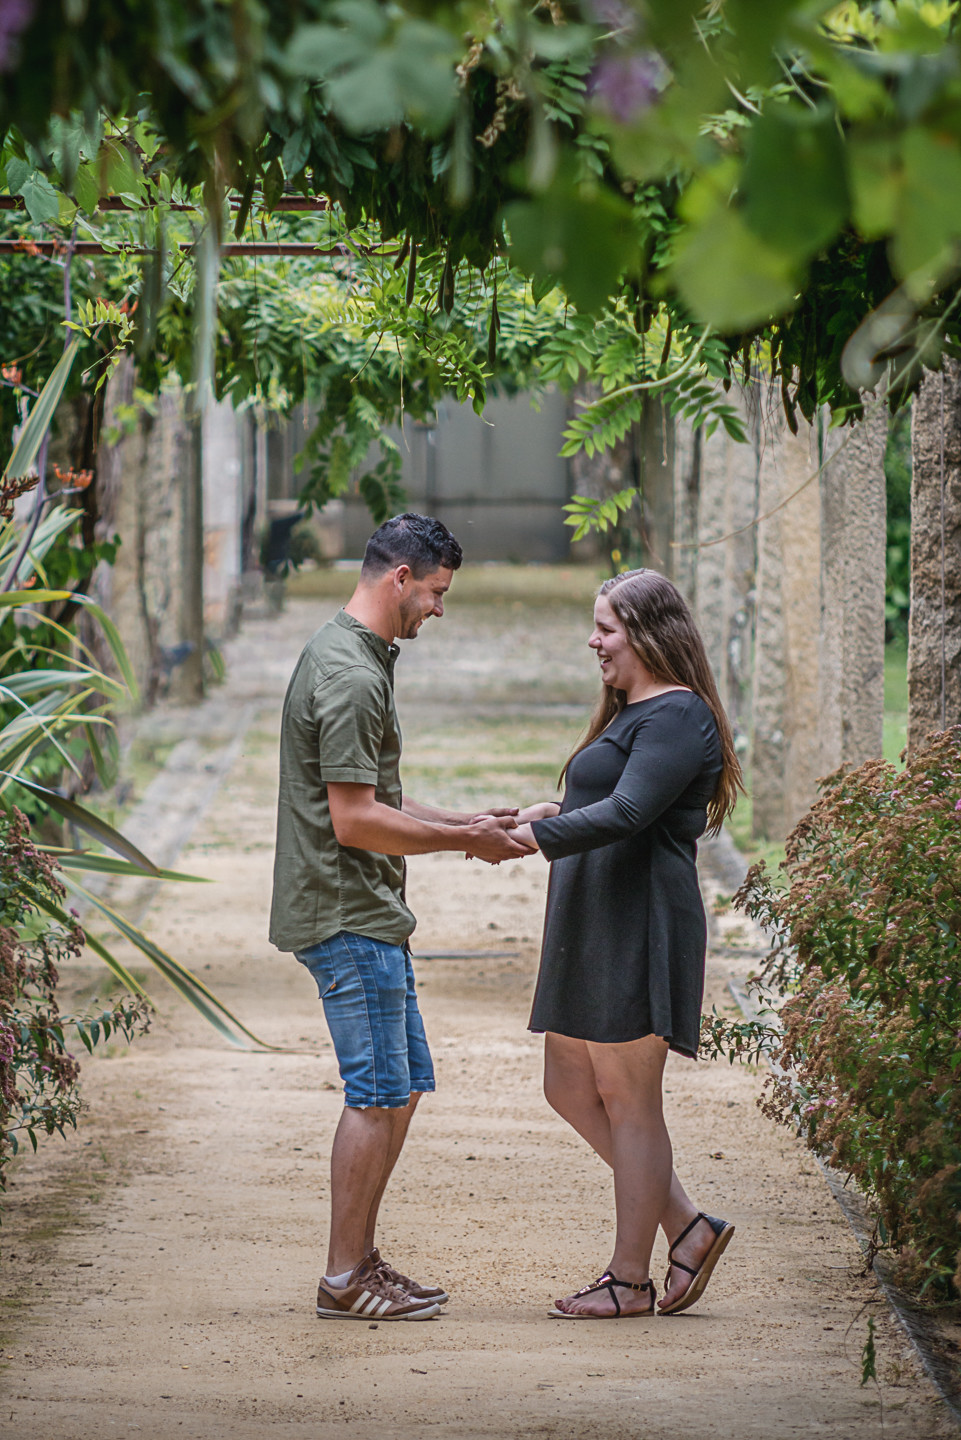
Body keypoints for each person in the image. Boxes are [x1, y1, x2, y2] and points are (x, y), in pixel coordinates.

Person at [269, 513, 531, 1323]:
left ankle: (361, 1260)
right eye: (436, 592)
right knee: (375, 1093)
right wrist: (463, 842)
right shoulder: (348, 674)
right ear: (399, 579)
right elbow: (353, 821)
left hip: (368, 909)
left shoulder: (359, 657)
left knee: (403, 1087)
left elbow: (375, 797)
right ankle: (343, 1279)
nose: (439, 610)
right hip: (346, 911)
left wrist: (466, 823)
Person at [507, 568, 743, 1319]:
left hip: (639, 923)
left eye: (605, 627)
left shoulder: (677, 714)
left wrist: (531, 835)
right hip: (594, 918)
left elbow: (632, 810)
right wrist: (556, 805)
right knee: (568, 1085)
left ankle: (628, 1279)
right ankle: (688, 1226)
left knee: (630, 1100)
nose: (593, 640)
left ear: (646, 633)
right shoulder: (632, 710)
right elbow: (609, 797)